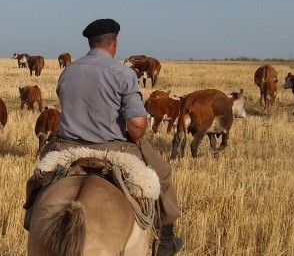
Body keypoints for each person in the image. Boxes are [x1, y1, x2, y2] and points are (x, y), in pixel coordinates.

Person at [27, 18, 183, 256]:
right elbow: (137, 124)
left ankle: (30, 220)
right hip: (115, 149)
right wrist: (135, 135)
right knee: (162, 174)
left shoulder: (68, 72)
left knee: (38, 177)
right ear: (115, 43)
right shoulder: (123, 73)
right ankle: (166, 242)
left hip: (68, 146)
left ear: (90, 43)